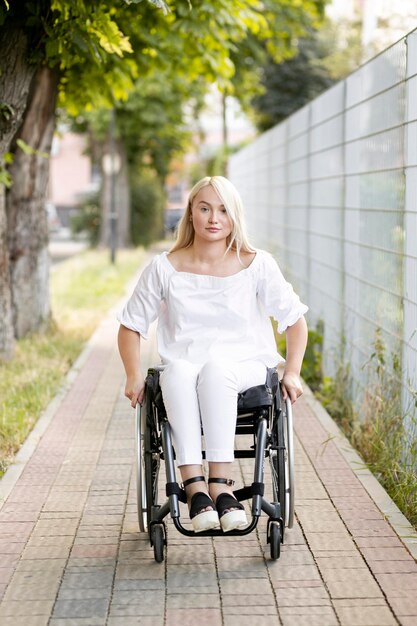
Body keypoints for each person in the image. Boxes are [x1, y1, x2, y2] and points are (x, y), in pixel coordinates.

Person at [118, 176, 308, 533]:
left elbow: (295, 321)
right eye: (204, 208)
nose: (213, 218)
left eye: (222, 210)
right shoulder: (165, 267)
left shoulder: (256, 264)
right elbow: (130, 326)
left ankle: (221, 485)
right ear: (191, 213)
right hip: (186, 366)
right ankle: (195, 488)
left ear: (234, 216)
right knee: (175, 373)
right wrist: (132, 375)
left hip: (245, 365)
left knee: (217, 369)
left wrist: (293, 372)